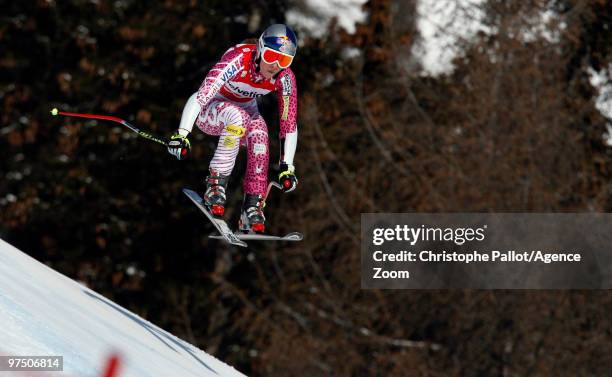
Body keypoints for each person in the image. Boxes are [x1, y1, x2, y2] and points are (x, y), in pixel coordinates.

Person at [167, 24, 299, 234]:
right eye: (271, 56)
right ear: (260, 50)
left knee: (260, 132)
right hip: (211, 111)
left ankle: (252, 207)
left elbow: (289, 124)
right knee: (236, 117)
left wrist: (287, 167)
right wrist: (182, 134)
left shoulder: (285, 78)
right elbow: (201, 95)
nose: (275, 65)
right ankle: (216, 185)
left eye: (283, 60)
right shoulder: (240, 58)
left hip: (246, 113)